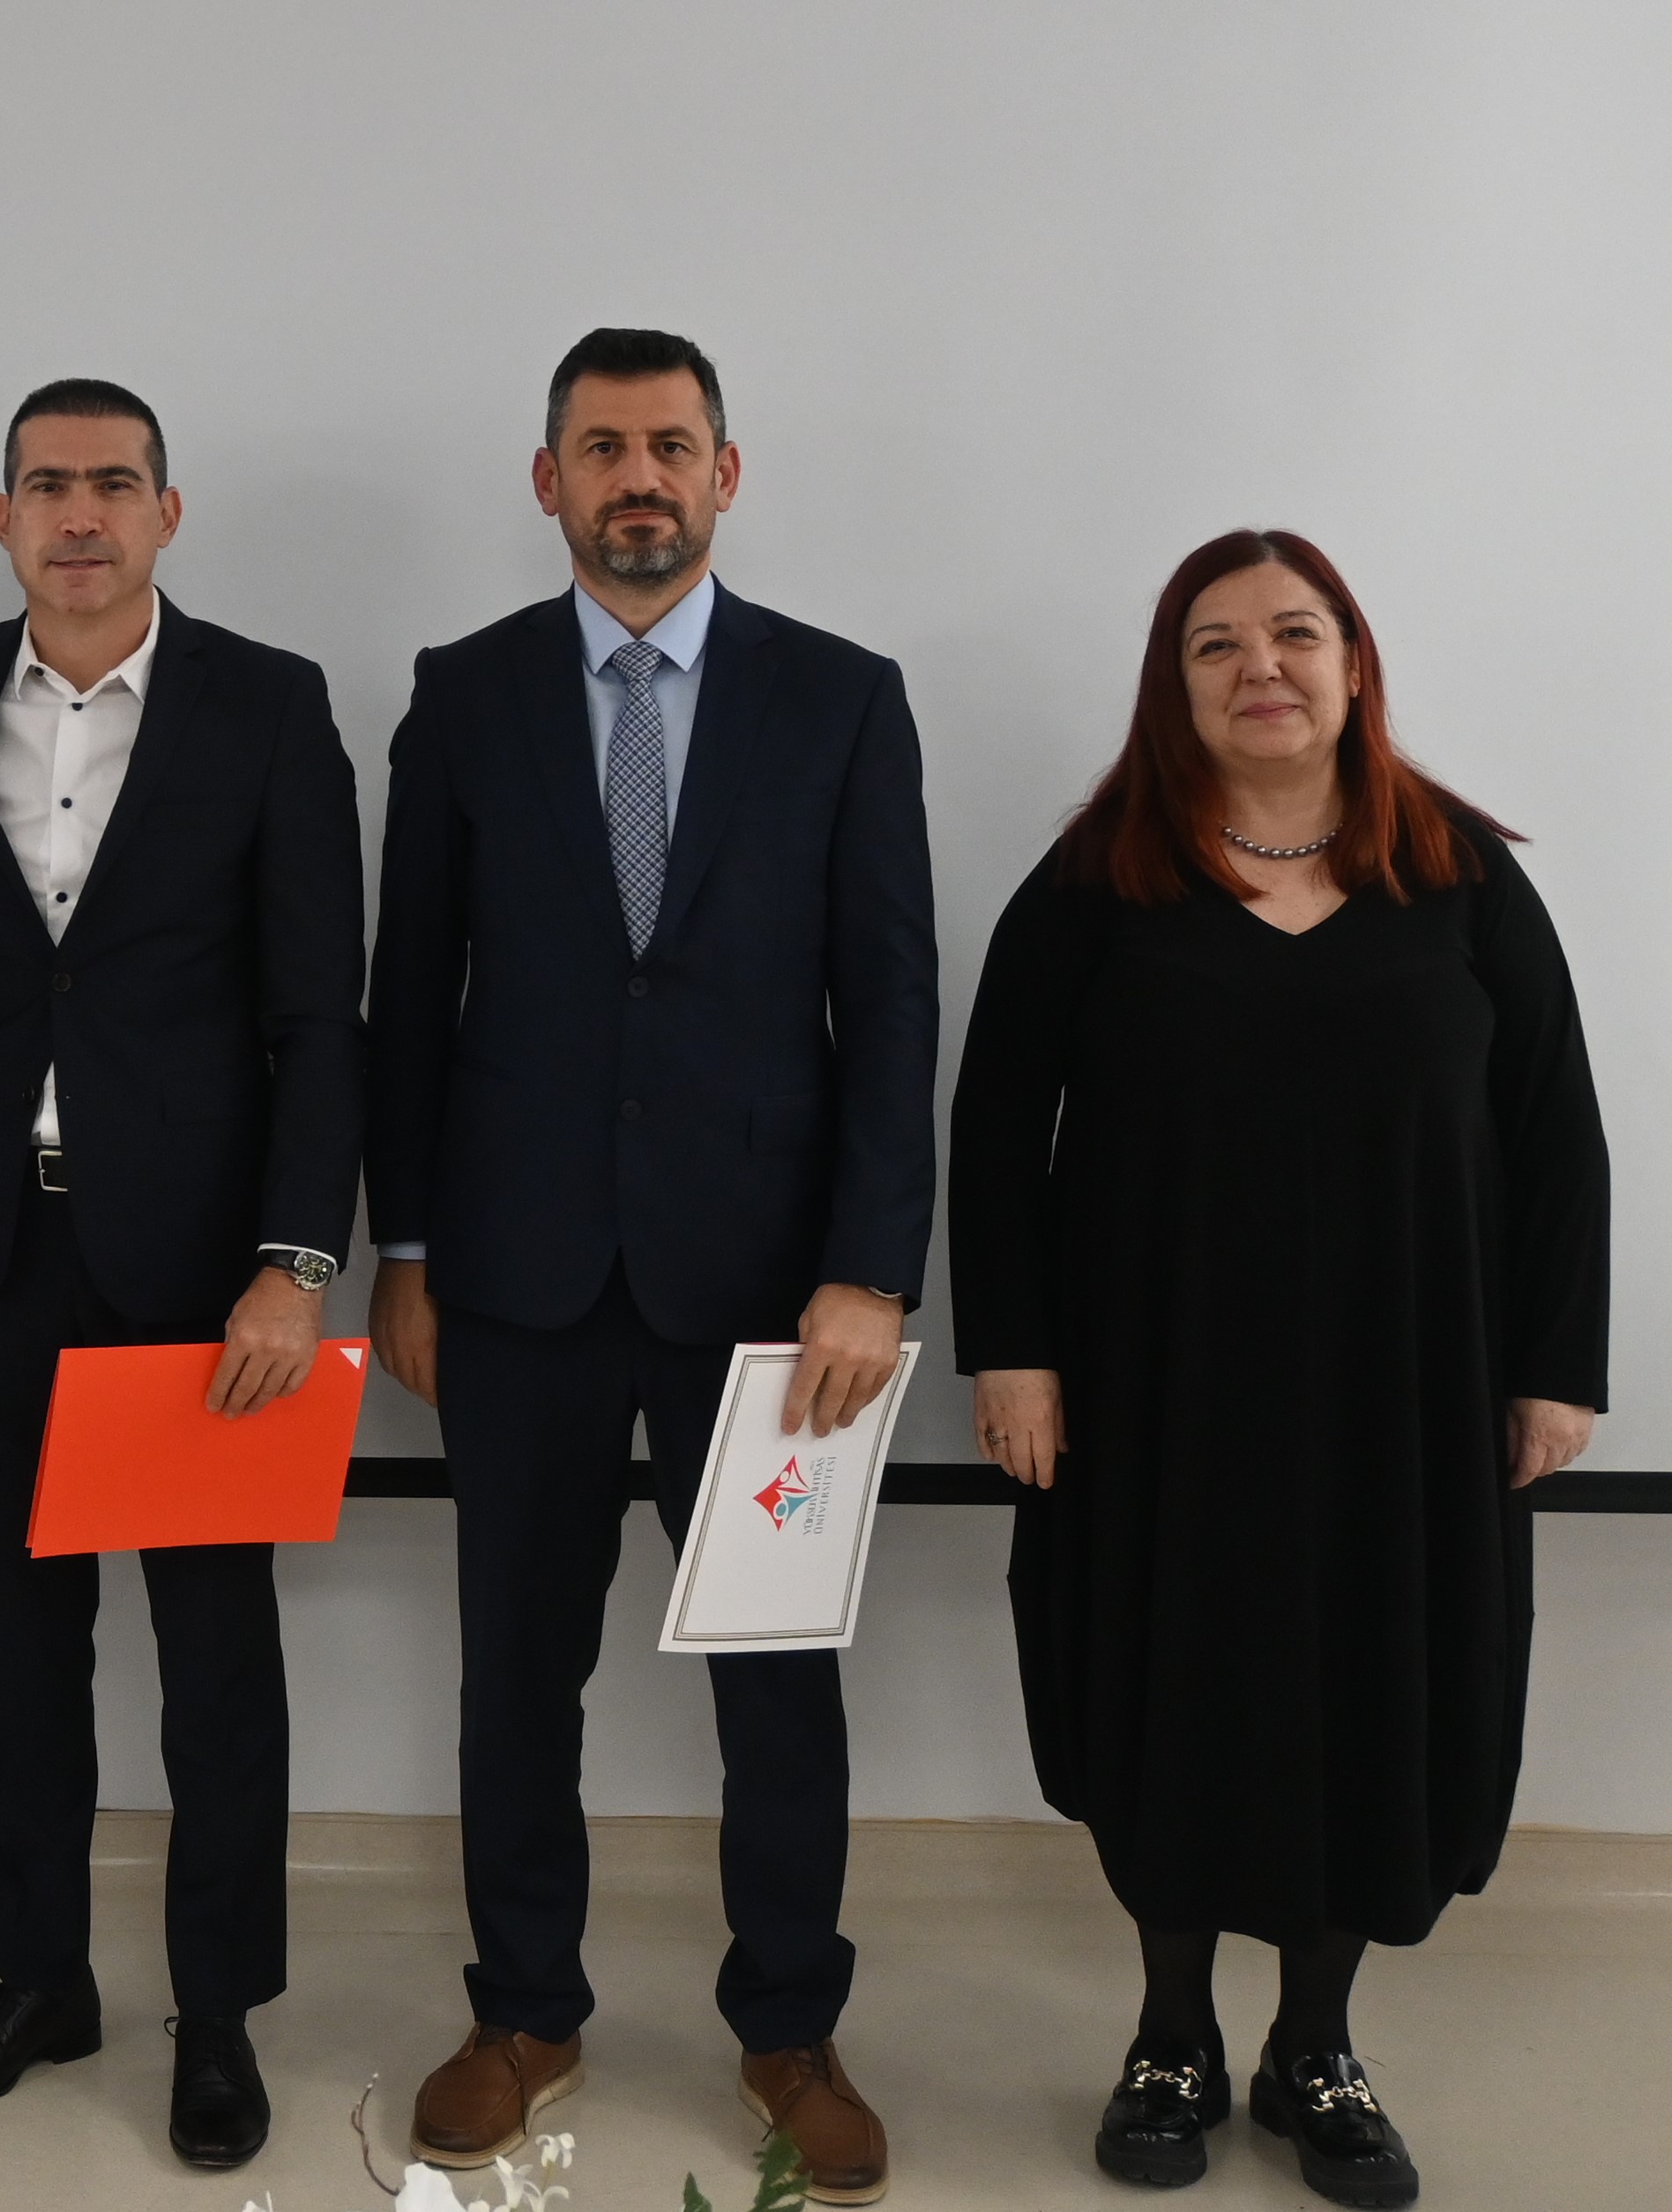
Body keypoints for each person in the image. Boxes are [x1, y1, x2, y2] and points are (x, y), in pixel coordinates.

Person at [951, 529, 1606, 2210]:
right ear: (1171, 685)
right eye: (1215, 643)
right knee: (1167, 1692)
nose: (1261, 667)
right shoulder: (1097, 879)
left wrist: (1554, 1366)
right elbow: (994, 1130)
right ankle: (1169, 2037)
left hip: (1408, 1392)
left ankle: (1314, 2046)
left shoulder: (1457, 873)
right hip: (1155, 1392)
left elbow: (1555, 1131)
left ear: (1352, 663)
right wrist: (1011, 1353)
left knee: (1375, 1696)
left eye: (1295, 633)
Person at [364, 327, 936, 2209]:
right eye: (601, 447)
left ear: (722, 474)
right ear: (547, 481)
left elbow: (890, 1003)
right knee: (516, 1674)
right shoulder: (462, 694)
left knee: (774, 1679)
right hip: (513, 1277)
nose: (637, 478)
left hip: (770, 1299)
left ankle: (788, 2026)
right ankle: (522, 2010)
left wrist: (870, 1269)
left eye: (669, 446)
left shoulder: (838, 697)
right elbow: (407, 995)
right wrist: (407, 1247)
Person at [0, 376, 365, 2174]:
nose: (80, 514)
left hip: (203, 1275)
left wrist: (293, 1260)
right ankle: (38, 1980)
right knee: (21, 1646)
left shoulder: (268, 705)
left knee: (213, 1659)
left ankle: (213, 2011)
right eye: (46, 485)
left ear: (166, 512)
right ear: (1, 517)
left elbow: (318, 1014)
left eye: (113, 484)